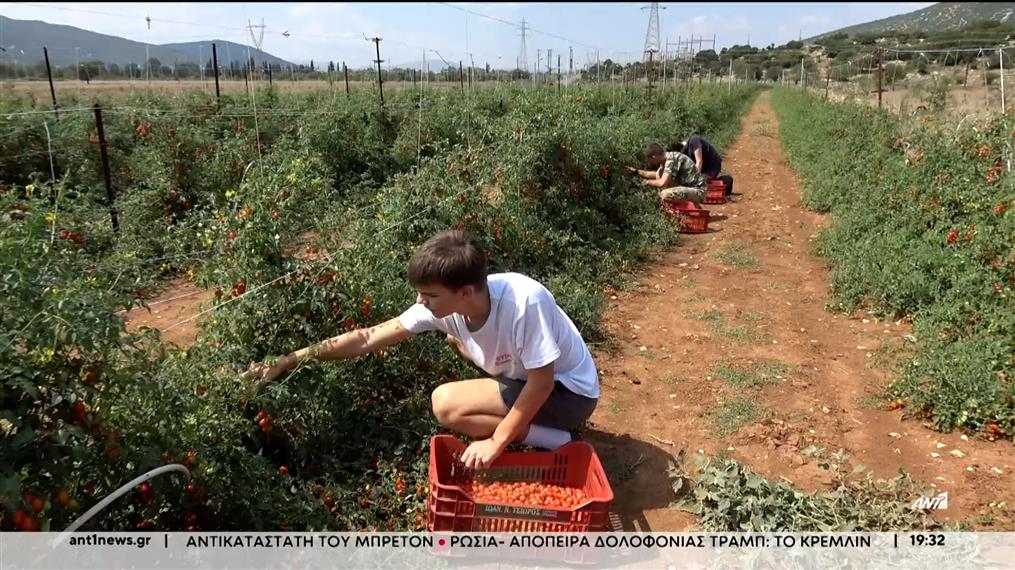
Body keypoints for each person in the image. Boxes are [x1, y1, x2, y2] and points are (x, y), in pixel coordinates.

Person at [242, 230, 600, 470]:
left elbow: (543, 383)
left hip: (571, 394)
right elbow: (367, 338)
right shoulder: (444, 307)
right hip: (527, 381)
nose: (420, 301)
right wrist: (287, 360)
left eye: (429, 295)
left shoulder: (524, 301)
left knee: (446, 400)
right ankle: (556, 440)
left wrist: (496, 442)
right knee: (451, 400)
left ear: (465, 292)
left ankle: (556, 435)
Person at [625, 143, 706, 204]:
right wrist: (636, 171)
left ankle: (688, 207)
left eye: (650, 161)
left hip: (698, 191)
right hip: (690, 189)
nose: (651, 163)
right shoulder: (666, 161)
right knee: (660, 177)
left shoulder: (672, 159)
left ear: (654, 157)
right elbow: (655, 175)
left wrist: (647, 182)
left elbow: (662, 183)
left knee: (665, 194)